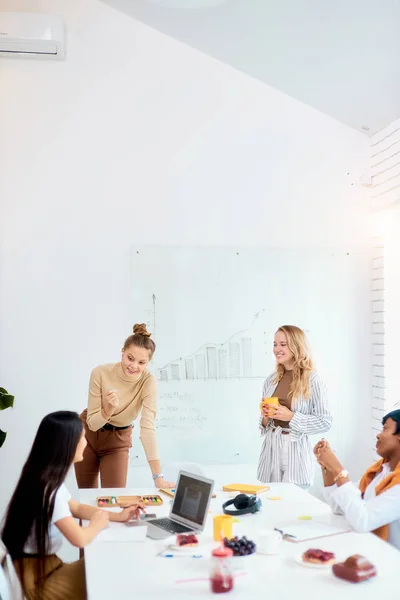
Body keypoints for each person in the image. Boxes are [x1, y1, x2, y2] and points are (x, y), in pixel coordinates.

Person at [1, 411, 144, 600]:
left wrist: (118, 516)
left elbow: (76, 508)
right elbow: (80, 539)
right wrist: (98, 524)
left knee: (106, 563)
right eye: (83, 437)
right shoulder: (50, 492)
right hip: (40, 581)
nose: (86, 443)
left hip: (42, 569)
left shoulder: (44, 480)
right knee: (109, 575)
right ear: (68, 444)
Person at [74, 323, 173, 489]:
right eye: (130, 358)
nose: (134, 366)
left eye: (142, 362)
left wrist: (158, 478)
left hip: (117, 441)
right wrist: (108, 411)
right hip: (87, 436)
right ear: (123, 352)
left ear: (148, 362)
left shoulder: (148, 382)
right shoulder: (100, 373)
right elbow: (92, 423)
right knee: (88, 498)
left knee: (114, 500)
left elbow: (147, 428)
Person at [257, 325, 332, 488]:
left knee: (292, 505)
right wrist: (265, 416)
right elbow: (263, 427)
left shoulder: (312, 380)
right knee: (272, 502)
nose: (277, 349)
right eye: (275, 344)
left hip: (295, 451)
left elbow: (325, 421)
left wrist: (291, 417)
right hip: (272, 450)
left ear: (296, 346)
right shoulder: (270, 381)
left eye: (283, 344)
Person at [314, 409, 400, 548]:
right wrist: (327, 467)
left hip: (389, 560)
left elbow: (362, 521)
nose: (378, 435)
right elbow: (340, 507)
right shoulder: (380, 471)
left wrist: (338, 469)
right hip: (367, 548)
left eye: (385, 429)